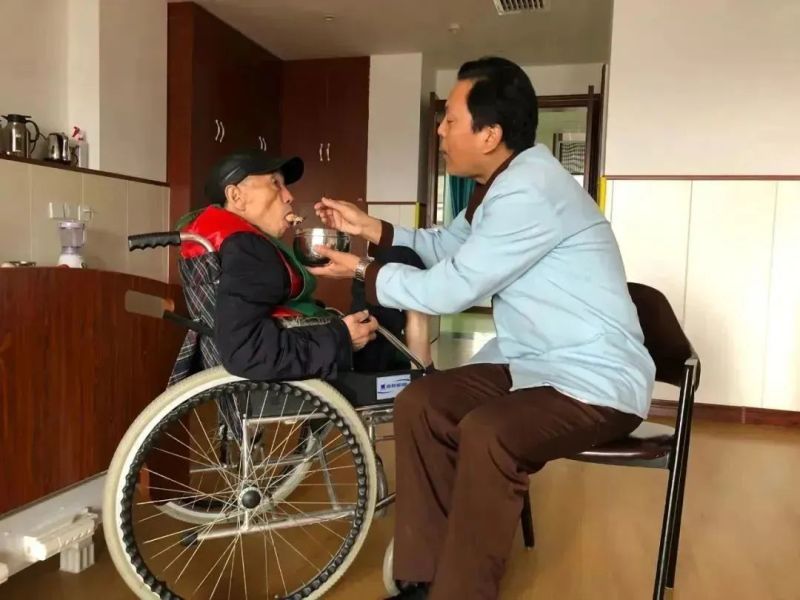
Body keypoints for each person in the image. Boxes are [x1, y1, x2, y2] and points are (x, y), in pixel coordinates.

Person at [308, 56, 656, 599]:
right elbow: (446, 247)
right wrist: (369, 227)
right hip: (532, 362)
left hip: (593, 379)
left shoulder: (529, 190)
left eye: (450, 119)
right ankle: (420, 578)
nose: (440, 130)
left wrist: (361, 270)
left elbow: (451, 288)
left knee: (489, 433)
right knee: (420, 403)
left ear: (490, 134)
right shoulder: (499, 184)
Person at [172, 149, 432, 384]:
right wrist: (342, 336)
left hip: (315, 350)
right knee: (400, 257)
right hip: (334, 368)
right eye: (275, 183)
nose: (289, 196)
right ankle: (422, 367)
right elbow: (247, 351)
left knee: (384, 264)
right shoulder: (247, 249)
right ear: (236, 196)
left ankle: (419, 361)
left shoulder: (225, 242)